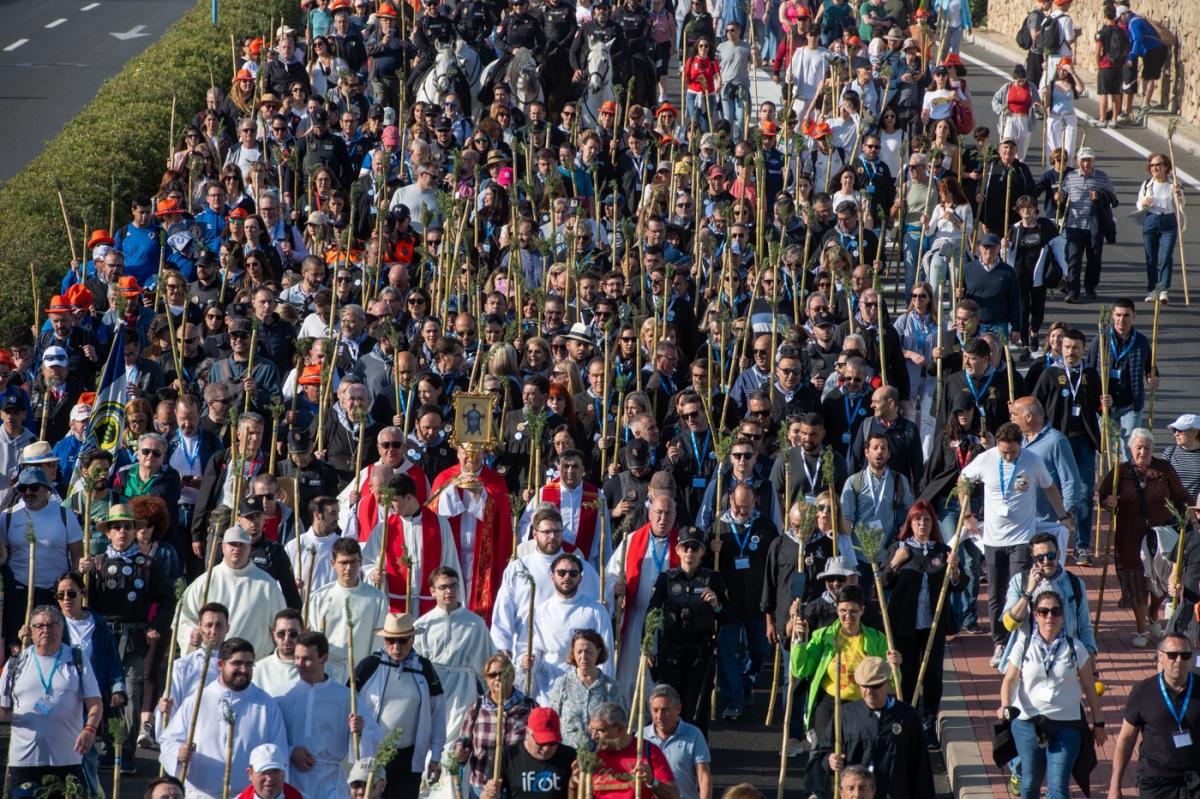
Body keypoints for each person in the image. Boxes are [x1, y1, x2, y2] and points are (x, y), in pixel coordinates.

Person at [960, 422, 1072, 667]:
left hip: (1022, 539)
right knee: (994, 593)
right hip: (992, 539)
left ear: (1021, 444)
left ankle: (1020, 641)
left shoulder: (1032, 460)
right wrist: (967, 514)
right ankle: (1000, 643)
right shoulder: (986, 458)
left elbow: (1050, 487)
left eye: (1012, 452)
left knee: (1023, 590)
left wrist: (1062, 515)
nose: (1007, 456)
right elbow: (963, 481)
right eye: (1003, 453)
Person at [77, 503, 177, 772]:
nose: (123, 531)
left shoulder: (147, 565)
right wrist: (81, 574)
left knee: (131, 692)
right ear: (108, 533)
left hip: (134, 638)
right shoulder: (97, 564)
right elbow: (84, 601)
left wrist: (156, 625)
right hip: (104, 638)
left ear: (135, 531)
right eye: (116, 527)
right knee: (106, 693)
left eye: (128, 526)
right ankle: (110, 747)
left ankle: (128, 751)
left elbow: (168, 599)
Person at [997, 589, 1106, 799]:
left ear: (1063, 615)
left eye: (1055, 612)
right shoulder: (1024, 644)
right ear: (1036, 615)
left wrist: (1098, 724)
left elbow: (1090, 687)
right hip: (1028, 722)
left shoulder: (1076, 648)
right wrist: (1004, 704)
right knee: (1030, 783)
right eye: (1044, 611)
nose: (1050, 616)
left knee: (1058, 789)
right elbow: (1010, 679)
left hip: (1068, 725)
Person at [158, 638, 289, 799]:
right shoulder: (198, 700)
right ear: (221, 664)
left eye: (249, 664)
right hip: (201, 794)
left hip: (247, 795)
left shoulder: (265, 704)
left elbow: (278, 751)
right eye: (237, 663)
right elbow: (168, 742)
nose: (244, 669)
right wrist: (179, 752)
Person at [880, 502, 963, 748]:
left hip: (933, 625)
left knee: (933, 674)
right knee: (906, 675)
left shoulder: (943, 550)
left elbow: (958, 586)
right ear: (910, 523)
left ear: (933, 523)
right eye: (917, 520)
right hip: (904, 625)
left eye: (927, 519)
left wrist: (955, 569)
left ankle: (928, 722)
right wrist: (895, 562)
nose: (922, 524)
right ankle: (907, 719)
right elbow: (884, 582)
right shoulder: (899, 548)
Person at [1099, 427, 1190, 647]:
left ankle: (1153, 611)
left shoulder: (1164, 469)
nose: (1143, 452)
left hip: (1161, 534)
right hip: (1130, 535)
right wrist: (1108, 502)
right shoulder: (1119, 471)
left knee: (1161, 577)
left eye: (1147, 448)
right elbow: (1103, 497)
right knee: (1135, 578)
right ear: (1131, 448)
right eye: (1138, 447)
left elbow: (1181, 496)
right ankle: (1141, 630)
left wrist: (1190, 516)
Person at [267, 631, 382, 799]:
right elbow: (267, 736)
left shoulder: (345, 697)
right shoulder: (281, 695)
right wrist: (290, 751)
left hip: (329, 782)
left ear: (324, 658)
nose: (300, 664)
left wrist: (360, 731)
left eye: (307, 659)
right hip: (291, 779)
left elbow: (374, 737)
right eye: (297, 658)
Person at [0, 604, 103, 788]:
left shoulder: (77, 659)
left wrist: (89, 730)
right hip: (24, 761)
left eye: (52, 625)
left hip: (67, 759)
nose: (45, 630)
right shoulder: (16, 663)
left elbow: (95, 703)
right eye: (39, 626)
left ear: (61, 629)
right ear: (31, 631)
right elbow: (2, 706)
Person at [789, 584, 901, 745]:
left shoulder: (877, 639)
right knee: (829, 756)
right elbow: (800, 670)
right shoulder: (823, 636)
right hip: (828, 706)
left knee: (856, 758)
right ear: (837, 610)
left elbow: (893, 683)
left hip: (863, 706)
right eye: (843, 611)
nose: (848, 615)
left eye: (853, 611)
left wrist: (894, 666)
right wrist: (800, 641)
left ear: (862, 610)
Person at [812, 657, 933, 799]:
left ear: (888, 684)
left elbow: (920, 766)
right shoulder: (845, 714)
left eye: (875, 686)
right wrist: (830, 760)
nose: (869, 691)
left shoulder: (907, 716)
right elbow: (826, 751)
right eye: (864, 686)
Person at [356, 613, 446, 797]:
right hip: (372, 757)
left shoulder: (425, 668)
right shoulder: (369, 666)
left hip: (408, 760)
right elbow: (346, 704)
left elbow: (438, 715)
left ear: (412, 639)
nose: (396, 647)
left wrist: (436, 756)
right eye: (390, 641)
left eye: (403, 640)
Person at [430, 443, 515, 626]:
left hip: (483, 558)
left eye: (476, 453)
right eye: (466, 453)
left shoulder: (494, 480)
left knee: (480, 604)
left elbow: (501, 513)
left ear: (483, 453)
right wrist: (452, 489)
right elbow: (433, 512)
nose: (471, 458)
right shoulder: (445, 478)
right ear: (458, 453)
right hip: (453, 553)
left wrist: (480, 495)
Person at [0, 467, 85, 651]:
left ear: (46, 488)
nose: (28, 492)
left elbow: (77, 554)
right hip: (19, 593)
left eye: (34, 487)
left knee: (55, 646)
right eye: (23, 488)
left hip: (55, 594)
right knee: (20, 647)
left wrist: (77, 588)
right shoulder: (7, 517)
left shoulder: (65, 515)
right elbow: (3, 557)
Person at [1107, 633, 1200, 799]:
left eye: (1185, 655)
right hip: (1156, 782)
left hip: (1196, 781)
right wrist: (1115, 786)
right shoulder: (1142, 692)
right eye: (1172, 655)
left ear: (1191, 658)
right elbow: (1126, 740)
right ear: (1160, 656)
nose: (1178, 660)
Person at [711, 484, 775, 720]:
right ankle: (733, 699)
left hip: (758, 603)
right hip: (729, 605)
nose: (742, 511)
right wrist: (711, 549)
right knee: (726, 651)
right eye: (738, 506)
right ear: (730, 500)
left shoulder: (766, 526)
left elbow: (775, 562)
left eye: (747, 506)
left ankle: (746, 681)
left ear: (755, 501)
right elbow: (706, 564)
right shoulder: (718, 527)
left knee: (760, 650)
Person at [413, 566, 496, 746]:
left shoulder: (475, 623)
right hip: (433, 689)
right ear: (432, 591)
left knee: (458, 741)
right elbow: (415, 667)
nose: (449, 591)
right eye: (443, 587)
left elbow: (488, 663)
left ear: (459, 589)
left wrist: (494, 696)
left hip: (463, 689)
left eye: (453, 586)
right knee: (431, 740)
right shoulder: (422, 625)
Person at [606, 495, 681, 695]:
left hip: (669, 621)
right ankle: (631, 720)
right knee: (632, 672)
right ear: (650, 513)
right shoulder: (631, 541)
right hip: (636, 618)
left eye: (668, 513)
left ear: (674, 516)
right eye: (659, 512)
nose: (663, 518)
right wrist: (615, 586)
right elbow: (609, 575)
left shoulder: (682, 544)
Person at [518, 552, 614, 704]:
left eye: (573, 573)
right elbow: (530, 648)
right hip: (548, 683)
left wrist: (604, 689)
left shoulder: (596, 610)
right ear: (552, 576)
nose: (567, 577)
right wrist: (527, 660)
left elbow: (606, 652)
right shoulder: (540, 611)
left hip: (586, 682)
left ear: (580, 578)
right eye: (561, 572)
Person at [178, 526, 288, 659]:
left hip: (254, 665)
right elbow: (183, 618)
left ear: (249, 548)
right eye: (232, 544)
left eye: (242, 544)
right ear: (223, 547)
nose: (237, 548)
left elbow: (281, 627)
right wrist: (191, 634)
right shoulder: (204, 582)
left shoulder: (267, 585)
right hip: (211, 663)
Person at [362, 472, 459, 615]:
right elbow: (368, 562)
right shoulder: (384, 528)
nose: (389, 506)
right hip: (395, 605)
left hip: (432, 603)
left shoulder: (440, 524)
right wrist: (373, 574)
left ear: (408, 497)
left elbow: (450, 563)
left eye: (393, 501)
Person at [455, 653, 538, 799]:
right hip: (481, 787)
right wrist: (460, 751)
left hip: (518, 786)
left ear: (512, 676)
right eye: (492, 675)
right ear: (486, 679)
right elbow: (463, 741)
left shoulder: (529, 707)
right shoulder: (476, 709)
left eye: (503, 673)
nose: (498, 678)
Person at [308, 537, 390, 684]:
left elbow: (379, 641)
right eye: (343, 563)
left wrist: (370, 672)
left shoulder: (376, 597)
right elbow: (312, 638)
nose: (349, 568)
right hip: (327, 672)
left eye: (354, 562)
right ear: (333, 563)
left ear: (361, 561)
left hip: (363, 672)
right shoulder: (319, 598)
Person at [1055, 146, 1117, 302]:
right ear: (1077, 162)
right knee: (1074, 259)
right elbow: (1063, 198)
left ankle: (1090, 287)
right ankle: (1072, 291)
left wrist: (1100, 195)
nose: (1086, 163)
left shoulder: (1102, 177)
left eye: (1089, 160)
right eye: (1083, 160)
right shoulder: (1070, 177)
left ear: (1094, 161)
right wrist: (1060, 198)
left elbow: (1114, 199)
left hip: (1095, 227)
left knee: (1094, 259)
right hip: (1075, 225)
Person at [547, 629, 626, 750]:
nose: (583, 657)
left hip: (601, 756)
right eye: (579, 652)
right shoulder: (562, 684)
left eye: (589, 652)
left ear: (598, 652)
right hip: (567, 756)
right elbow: (552, 721)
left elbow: (622, 723)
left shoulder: (611, 686)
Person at [587, 702, 680, 799]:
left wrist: (652, 781)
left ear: (620, 729)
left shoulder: (648, 751)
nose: (593, 737)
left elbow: (674, 797)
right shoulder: (592, 756)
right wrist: (573, 785)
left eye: (600, 731)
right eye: (591, 730)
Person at [479, 707, 576, 799]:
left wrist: (575, 786)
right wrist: (489, 793)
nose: (546, 748)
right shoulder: (508, 755)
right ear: (527, 733)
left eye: (552, 742)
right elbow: (484, 795)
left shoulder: (570, 757)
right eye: (541, 742)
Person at [644, 684, 712, 799]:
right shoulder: (641, 737)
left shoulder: (694, 734)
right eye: (655, 710)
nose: (659, 716)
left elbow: (704, 777)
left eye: (665, 710)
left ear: (678, 709)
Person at [1137, 152, 1186, 304]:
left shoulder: (1173, 184)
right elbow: (1138, 204)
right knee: (1151, 258)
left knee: (1166, 256)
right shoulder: (1147, 184)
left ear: (1165, 167)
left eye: (1158, 164)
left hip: (1169, 221)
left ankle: (1164, 290)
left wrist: (1179, 194)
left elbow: (1181, 205)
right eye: (1152, 165)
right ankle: (1152, 289)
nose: (1154, 167)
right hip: (1151, 220)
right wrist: (1143, 203)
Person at [252, 609, 303, 690]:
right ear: (275, 636)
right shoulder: (258, 670)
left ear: (303, 633)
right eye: (281, 634)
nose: (287, 639)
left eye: (293, 633)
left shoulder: (318, 668)